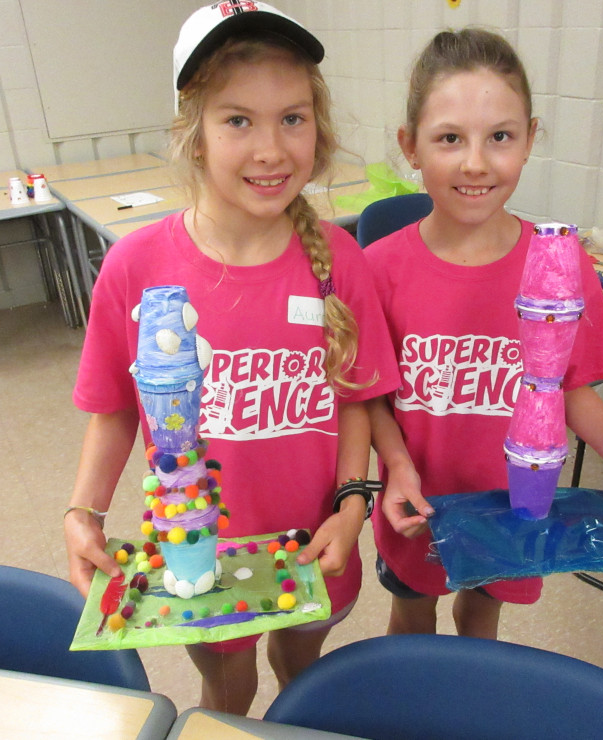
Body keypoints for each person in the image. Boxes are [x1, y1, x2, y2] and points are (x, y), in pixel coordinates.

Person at [64, 2, 398, 715]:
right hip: (197, 552)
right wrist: (83, 510)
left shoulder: (339, 261)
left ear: (319, 125)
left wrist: (351, 506)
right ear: (193, 133)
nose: (271, 149)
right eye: (238, 120)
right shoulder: (137, 268)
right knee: (226, 689)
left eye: (293, 118)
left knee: (301, 670)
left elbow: (356, 401)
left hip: (313, 545)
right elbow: (115, 411)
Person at [364, 28, 603, 641]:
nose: (476, 162)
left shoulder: (560, 264)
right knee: (413, 615)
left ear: (529, 139)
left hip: (514, 502)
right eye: (450, 138)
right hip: (418, 500)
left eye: (500, 137)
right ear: (410, 147)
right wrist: (395, 464)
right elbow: (371, 394)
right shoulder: (378, 269)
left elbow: (568, 387)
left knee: (482, 614)